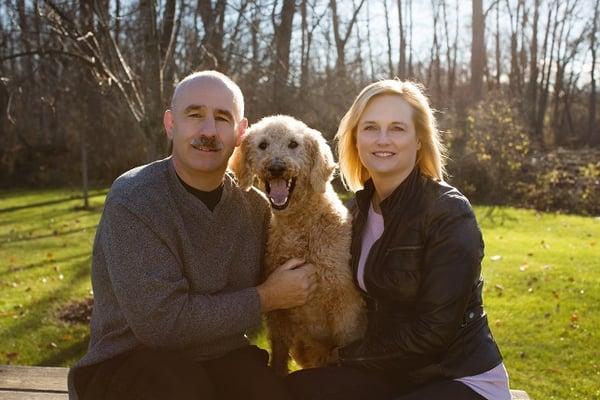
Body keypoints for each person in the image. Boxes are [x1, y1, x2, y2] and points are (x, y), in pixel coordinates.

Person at [68, 71, 318, 400]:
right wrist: (266, 297)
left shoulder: (255, 208)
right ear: (171, 124)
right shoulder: (135, 200)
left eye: (222, 118)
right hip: (128, 361)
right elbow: (162, 324)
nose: (209, 131)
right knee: (184, 389)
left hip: (220, 355)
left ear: (241, 133)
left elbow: (297, 271)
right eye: (195, 115)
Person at [286, 79, 510, 400]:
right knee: (291, 390)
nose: (382, 139)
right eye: (371, 127)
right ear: (355, 138)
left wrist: (344, 356)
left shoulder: (448, 212)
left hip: (458, 376)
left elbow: (433, 332)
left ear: (419, 140)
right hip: (391, 373)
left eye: (397, 128)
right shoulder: (357, 211)